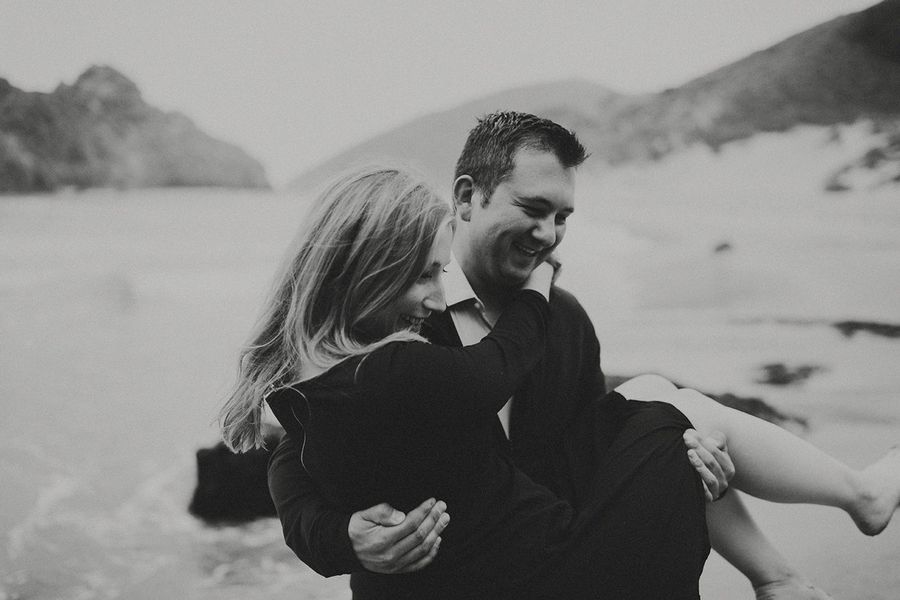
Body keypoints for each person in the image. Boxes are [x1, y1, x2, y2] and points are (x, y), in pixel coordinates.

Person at [254, 114, 900, 598]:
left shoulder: (562, 320)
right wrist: (344, 538)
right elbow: (298, 451)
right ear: (468, 197)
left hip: (556, 564)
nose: (548, 235)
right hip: (435, 586)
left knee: (666, 406)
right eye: (533, 209)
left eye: (563, 217)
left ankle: (780, 576)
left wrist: (687, 460)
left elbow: (590, 446)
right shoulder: (401, 324)